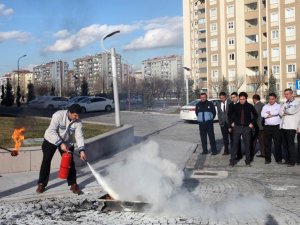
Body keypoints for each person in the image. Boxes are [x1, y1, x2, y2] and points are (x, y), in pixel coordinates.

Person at [36, 104, 87, 194]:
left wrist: (81, 150)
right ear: (69, 113)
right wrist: (60, 143)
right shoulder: (58, 116)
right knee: (46, 160)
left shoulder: (78, 122)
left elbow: (79, 136)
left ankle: (73, 184)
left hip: (67, 142)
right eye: (75, 115)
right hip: (50, 140)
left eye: (78, 115)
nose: (77, 117)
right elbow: (52, 130)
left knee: (70, 162)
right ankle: (41, 184)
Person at [228, 92, 258, 166]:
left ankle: (248, 161)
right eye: (240, 99)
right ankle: (232, 161)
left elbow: (256, 115)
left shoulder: (250, 106)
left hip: (246, 128)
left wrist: (252, 123)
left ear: (246, 98)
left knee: (247, 145)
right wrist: (231, 122)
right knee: (234, 144)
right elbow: (229, 115)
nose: (241, 100)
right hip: (237, 127)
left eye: (243, 99)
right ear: (239, 98)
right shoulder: (235, 106)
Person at [280, 88, 300, 167]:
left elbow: (292, 111)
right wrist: (284, 111)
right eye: (285, 94)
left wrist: (285, 111)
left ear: (291, 94)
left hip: (291, 126)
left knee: (290, 144)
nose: (286, 95)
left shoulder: (296, 103)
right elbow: (280, 112)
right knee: (285, 144)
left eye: (287, 94)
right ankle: (287, 159)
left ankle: (292, 161)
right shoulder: (285, 103)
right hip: (283, 126)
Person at [261, 93, 282, 164]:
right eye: (270, 99)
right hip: (267, 127)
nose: (271, 100)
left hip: (276, 127)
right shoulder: (265, 106)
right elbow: (262, 114)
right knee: (267, 144)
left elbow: (277, 112)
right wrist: (269, 114)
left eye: (272, 99)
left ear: (275, 99)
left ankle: (278, 159)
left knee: (277, 143)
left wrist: (269, 113)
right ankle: (267, 159)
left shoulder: (279, 106)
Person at [227, 92, 242, 160]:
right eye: (232, 97)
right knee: (233, 141)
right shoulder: (230, 105)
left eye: (234, 97)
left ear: (237, 97)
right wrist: (229, 126)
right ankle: (234, 154)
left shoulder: (241, 104)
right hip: (232, 126)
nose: (233, 99)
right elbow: (229, 116)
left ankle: (239, 154)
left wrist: (236, 122)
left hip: (239, 125)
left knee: (238, 141)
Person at [252, 94, 265, 159]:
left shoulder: (256, 106)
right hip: (262, 125)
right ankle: (263, 153)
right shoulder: (263, 105)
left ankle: (251, 152)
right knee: (262, 140)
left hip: (257, 126)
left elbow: (254, 115)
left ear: (254, 99)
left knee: (254, 139)